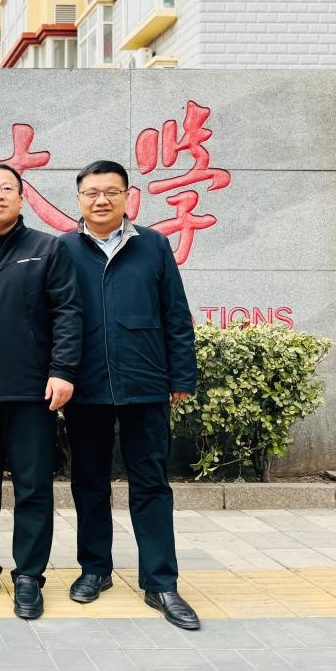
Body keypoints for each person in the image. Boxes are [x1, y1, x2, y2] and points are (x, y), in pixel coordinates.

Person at [60, 159, 201, 631]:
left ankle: (160, 582)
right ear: (79, 199)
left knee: (151, 484)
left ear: (127, 196)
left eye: (111, 192)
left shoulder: (153, 245)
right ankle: (95, 569)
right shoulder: (63, 249)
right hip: (86, 387)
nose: (101, 200)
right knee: (89, 482)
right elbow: (52, 318)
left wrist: (181, 377)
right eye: (92, 193)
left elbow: (176, 315)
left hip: (146, 385)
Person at [0, 163, 82, 619]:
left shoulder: (47, 248)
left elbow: (68, 312)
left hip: (31, 392)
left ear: (22, 198)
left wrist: (62, 370)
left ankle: (29, 576)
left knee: (33, 487)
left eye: (7, 188)